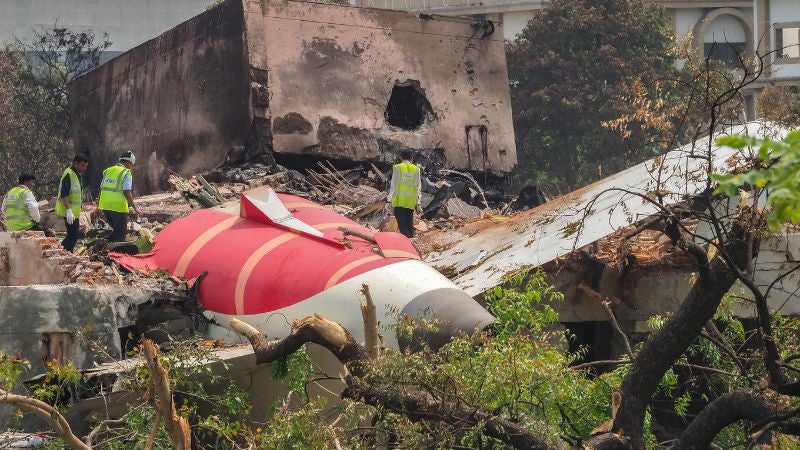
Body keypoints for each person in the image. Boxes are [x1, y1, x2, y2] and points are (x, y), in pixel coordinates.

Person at [97, 151, 140, 242]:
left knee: (116, 232)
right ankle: (114, 251)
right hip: (119, 208)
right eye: (132, 164)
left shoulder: (108, 171)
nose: (132, 166)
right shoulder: (126, 172)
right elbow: (126, 191)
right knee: (120, 236)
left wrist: (98, 206)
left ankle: (101, 245)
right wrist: (136, 208)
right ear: (128, 162)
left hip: (106, 208)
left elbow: (101, 189)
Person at [56, 154, 89, 251]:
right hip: (68, 211)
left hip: (73, 212)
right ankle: (64, 252)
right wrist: (69, 211)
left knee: (72, 235)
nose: (84, 168)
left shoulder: (76, 174)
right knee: (73, 235)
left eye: (86, 166)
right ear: (75, 163)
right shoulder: (69, 174)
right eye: (82, 165)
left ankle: (62, 252)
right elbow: (64, 194)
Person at [386, 149, 422, 238]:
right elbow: (418, 187)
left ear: (401, 158)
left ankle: (407, 241)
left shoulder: (398, 167)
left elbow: (393, 185)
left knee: (402, 224)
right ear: (411, 158)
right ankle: (411, 240)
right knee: (409, 223)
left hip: (399, 201)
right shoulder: (416, 169)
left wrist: (389, 200)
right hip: (410, 203)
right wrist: (418, 202)